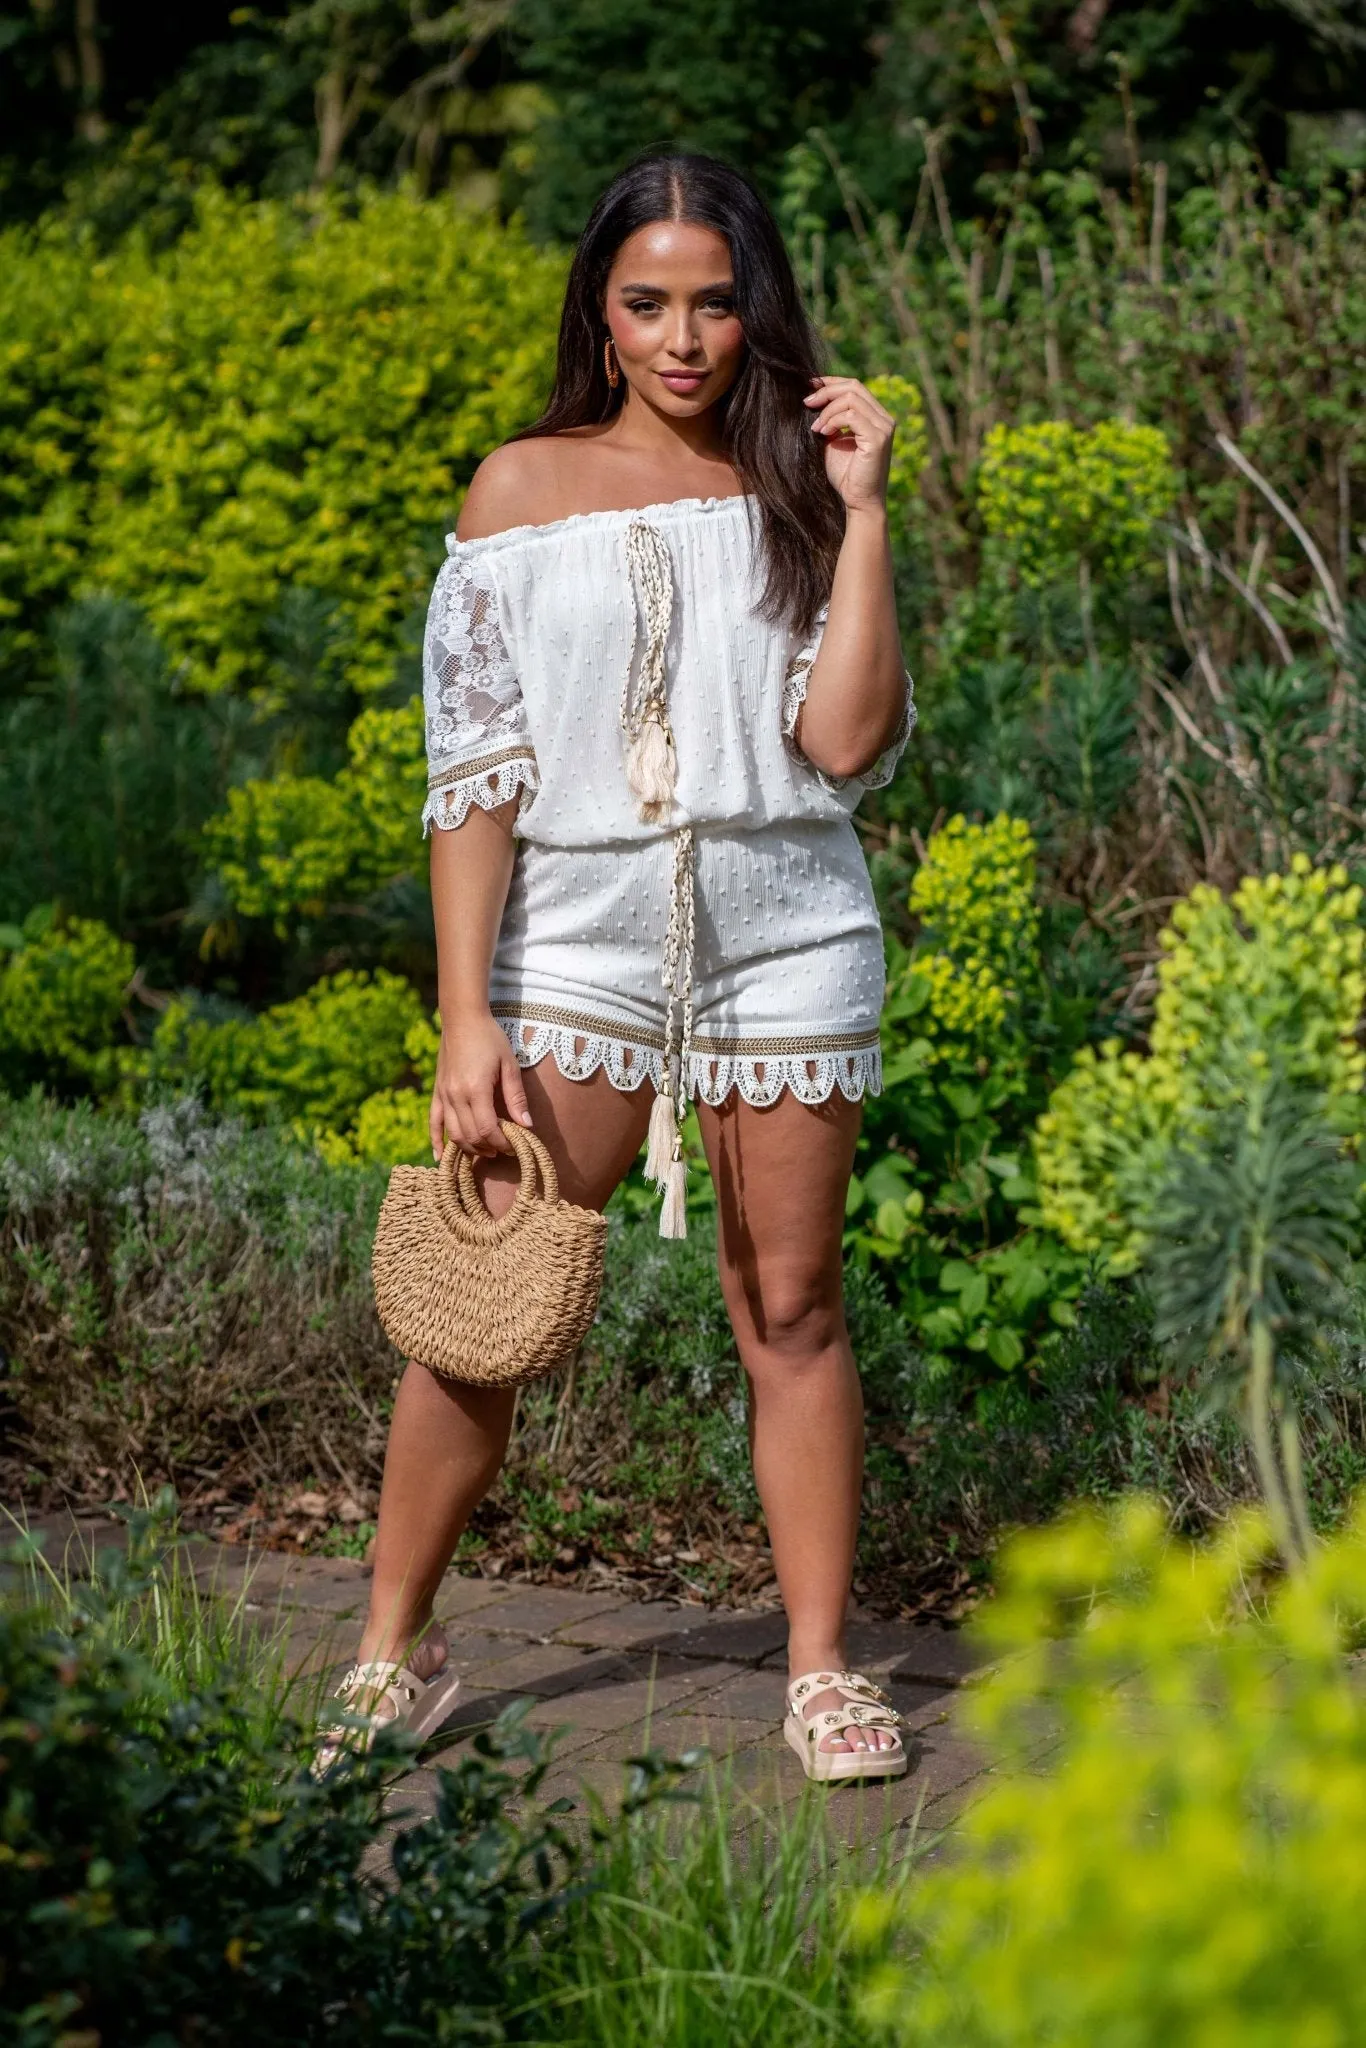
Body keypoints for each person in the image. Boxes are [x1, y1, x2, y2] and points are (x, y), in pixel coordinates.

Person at [323, 151, 913, 1783]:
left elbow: (848, 744)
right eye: (648, 302)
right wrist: (465, 1013)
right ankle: (392, 1648)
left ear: (755, 308)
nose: (682, 335)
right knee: (486, 1297)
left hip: (786, 921)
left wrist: (862, 515)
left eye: (714, 302)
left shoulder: (801, 481)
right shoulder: (514, 492)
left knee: (788, 1307)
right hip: (575, 929)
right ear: (599, 305)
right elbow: (476, 777)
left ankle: (814, 1667)